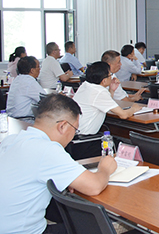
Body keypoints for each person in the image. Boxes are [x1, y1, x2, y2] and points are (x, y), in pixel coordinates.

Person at [0, 93, 117, 234]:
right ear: (62, 126)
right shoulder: (47, 149)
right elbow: (94, 186)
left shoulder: (11, 140)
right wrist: (105, 168)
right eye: (75, 130)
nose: (73, 136)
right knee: (98, 227)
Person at [74, 62, 142, 135]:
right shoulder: (99, 92)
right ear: (104, 81)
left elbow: (105, 103)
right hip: (85, 137)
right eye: (110, 75)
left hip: (75, 134)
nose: (112, 77)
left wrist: (111, 90)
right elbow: (123, 115)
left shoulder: (85, 85)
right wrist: (134, 108)